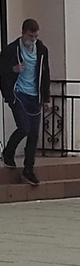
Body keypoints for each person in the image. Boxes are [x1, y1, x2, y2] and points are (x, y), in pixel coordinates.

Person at [1, 19, 51, 185]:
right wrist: (13, 70)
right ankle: (8, 153)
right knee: (24, 127)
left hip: (34, 95)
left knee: (34, 133)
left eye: (36, 36)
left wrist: (46, 98)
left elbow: (45, 75)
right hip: (18, 93)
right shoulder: (11, 50)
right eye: (30, 36)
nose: (33, 39)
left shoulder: (42, 50)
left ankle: (28, 169)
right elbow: (1, 71)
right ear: (23, 33)